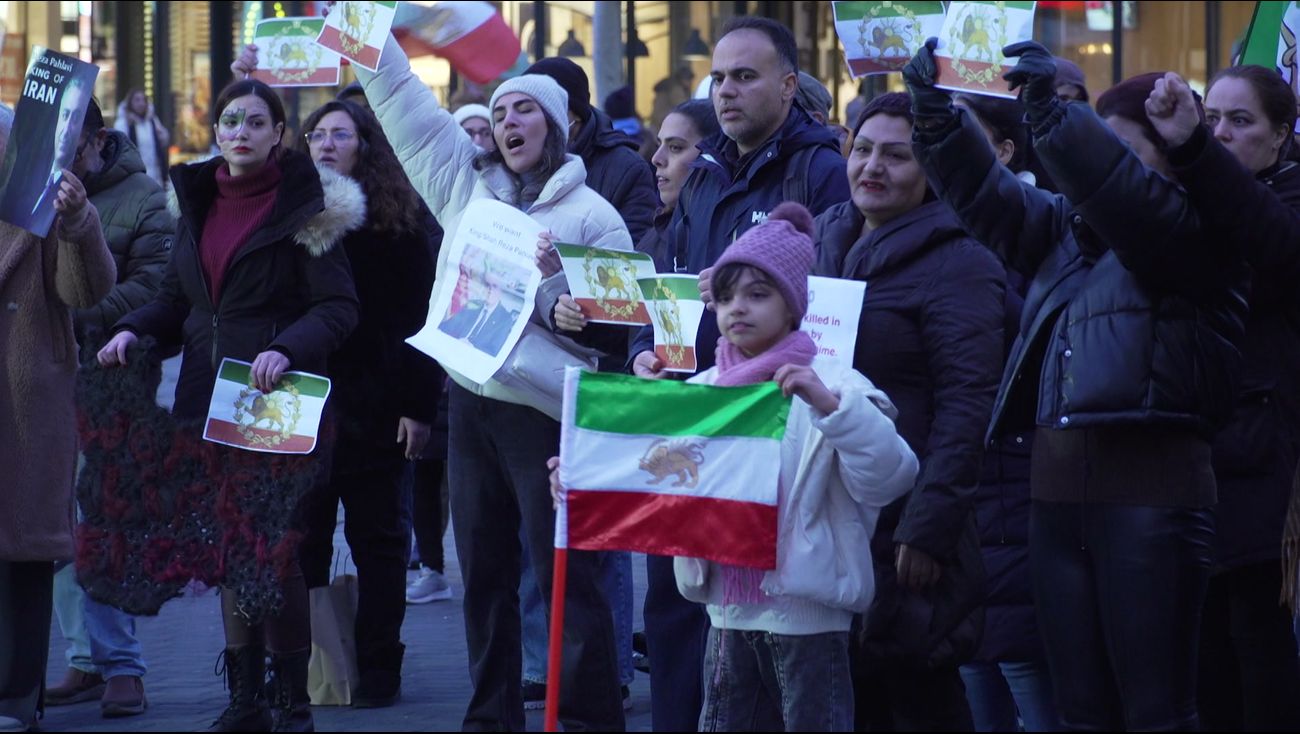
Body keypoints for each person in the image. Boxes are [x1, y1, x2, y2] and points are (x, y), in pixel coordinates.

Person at [904, 40, 1249, 731]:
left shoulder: (1198, 231)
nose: (1098, 171)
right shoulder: (1068, 232)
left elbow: (1123, 197)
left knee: (1156, 713)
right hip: (1057, 506)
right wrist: (937, 116)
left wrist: (1053, 119)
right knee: (1080, 713)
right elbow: (987, 196)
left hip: (1152, 507)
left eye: (1122, 150)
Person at [293, 22, 632, 726]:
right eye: (500, 111)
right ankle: (490, 715)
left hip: (545, 415)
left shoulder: (594, 216)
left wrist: (567, 301)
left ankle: (590, 715)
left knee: (566, 576)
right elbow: (400, 98)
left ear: (560, 127)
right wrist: (365, 25)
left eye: (525, 110)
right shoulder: (464, 189)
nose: (508, 121)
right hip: (474, 406)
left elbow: (621, 333)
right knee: (484, 577)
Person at [553, 202, 920, 731]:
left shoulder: (837, 385)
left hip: (809, 624)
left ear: (794, 305)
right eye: (725, 296)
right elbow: (651, 486)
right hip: (724, 617)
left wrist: (833, 410)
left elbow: (892, 476)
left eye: (757, 293)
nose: (737, 308)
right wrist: (580, 478)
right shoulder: (701, 395)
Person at [97, 77, 362, 732]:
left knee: (270, 549)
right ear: (216, 132)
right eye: (228, 120)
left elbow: (338, 307)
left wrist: (289, 348)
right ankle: (245, 699)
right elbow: (179, 301)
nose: (239, 131)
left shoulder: (309, 206)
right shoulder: (196, 201)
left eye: (254, 121)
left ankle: (291, 700)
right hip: (207, 403)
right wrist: (134, 331)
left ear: (277, 134)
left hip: (277, 406)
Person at [811, 92, 1004, 732]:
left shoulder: (962, 262)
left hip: (906, 520)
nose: (873, 167)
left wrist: (928, 527)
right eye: (862, 149)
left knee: (915, 693)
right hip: (824, 508)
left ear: (932, 169)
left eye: (897, 156)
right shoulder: (821, 241)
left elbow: (967, 404)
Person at [1140, 65, 1300, 732]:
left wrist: (1194, 151)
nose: (1223, 133)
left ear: (1282, 136)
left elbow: (1266, 244)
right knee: (1203, 665)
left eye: (1242, 121)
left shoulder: (1287, 201)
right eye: (1214, 120)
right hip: (1193, 463)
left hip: (1267, 465)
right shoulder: (1183, 201)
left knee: (1260, 651)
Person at [290, 98, 437, 709]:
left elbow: (421, 318)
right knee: (304, 541)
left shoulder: (397, 222)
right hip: (306, 405)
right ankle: (309, 665)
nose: (325, 144)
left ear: (365, 146)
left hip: (380, 405)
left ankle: (379, 667)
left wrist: (419, 406)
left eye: (339, 134)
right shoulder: (292, 215)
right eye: (315, 134)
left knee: (381, 543)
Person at [43, 97, 173, 720]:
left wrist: (65, 311)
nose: (61, 156)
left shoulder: (144, 197)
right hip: (40, 377)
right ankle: (84, 659)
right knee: (51, 523)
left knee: (102, 520)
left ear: (98, 142)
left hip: (108, 371)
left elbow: (155, 284)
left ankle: (122, 666)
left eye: (73, 145)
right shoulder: (24, 189)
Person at [632, 15, 850, 380]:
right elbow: (669, 282)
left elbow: (834, 304)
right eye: (718, 79)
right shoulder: (700, 173)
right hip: (694, 401)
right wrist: (644, 349)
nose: (726, 91)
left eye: (744, 77)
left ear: (788, 86)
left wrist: (742, 287)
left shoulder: (823, 173)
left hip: (774, 406)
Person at [0, 100, 116, 732]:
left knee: (21, 551)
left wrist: (78, 222)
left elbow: (86, 292)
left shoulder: (36, 202)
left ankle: (16, 697)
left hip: (23, 400)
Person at [948, 92, 1061, 733]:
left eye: (960, 133)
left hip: (1015, 476)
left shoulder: (1035, 230)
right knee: (971, 673)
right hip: (961, 483)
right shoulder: (923, 226)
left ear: (1006, 151)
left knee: (1022, 669)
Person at [527, 57, 657, 243]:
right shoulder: (512, 164)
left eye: (540, 110)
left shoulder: (626, 169)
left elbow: (634, 253)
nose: (526, 122)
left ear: (574, 115)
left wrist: (564, 265)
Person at [0, 72, 94, 236]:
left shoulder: (71, 196)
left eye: (76, 118)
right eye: (65, 115)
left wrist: (77, 219)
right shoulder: (31, 176)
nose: (66, 130)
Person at [114, 89, 170, 188]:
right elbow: (120, 150)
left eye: (143, 100)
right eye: (137, 100)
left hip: (155, 176)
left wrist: (163, 136)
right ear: (130, 103)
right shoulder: (123, 123)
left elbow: (162, 142)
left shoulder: (152, 121)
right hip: (134, 177)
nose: (141, 103)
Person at [651, 64, 695, 131]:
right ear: (683, 79)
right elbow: (683, 106)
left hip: (658, 123)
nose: (691, 83)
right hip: (664, 124)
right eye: (689, 80)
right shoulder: (676, 89)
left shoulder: (667, 87)